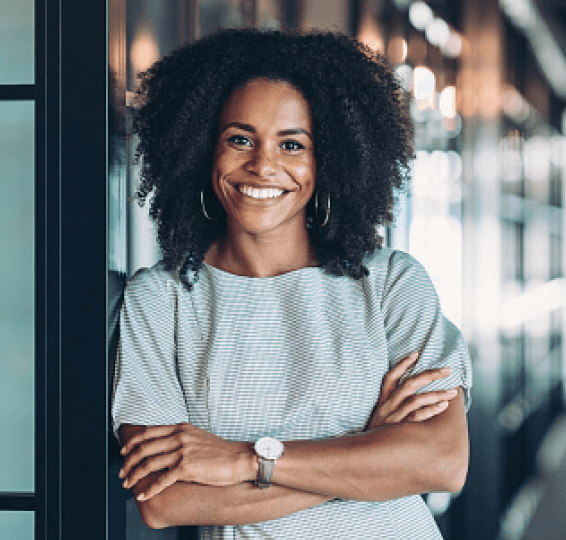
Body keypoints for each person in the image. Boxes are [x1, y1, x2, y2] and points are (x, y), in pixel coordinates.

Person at [112, 28, 472, 540]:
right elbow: (166, 499)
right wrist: (368, 450)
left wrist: (245, 460)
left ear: (327, 160)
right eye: (240, 139)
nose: (263, 164)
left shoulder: (392, 284)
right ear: (201, 149)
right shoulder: (160, 302)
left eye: (292, 144)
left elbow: (441, 461)